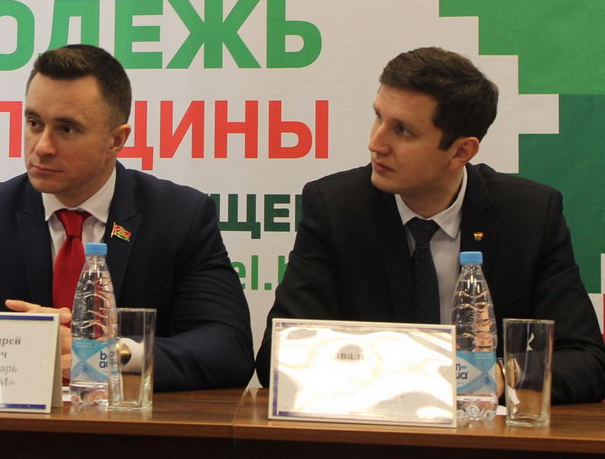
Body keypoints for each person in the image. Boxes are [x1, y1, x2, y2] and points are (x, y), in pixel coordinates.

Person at [257, 46, 605, 404]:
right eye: (378, 117)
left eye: (403, 131)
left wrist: (488, 379)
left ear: (461, 152)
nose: (376, 143)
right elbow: (278, 358)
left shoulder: (529, 214)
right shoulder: (337, 208)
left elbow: (587, 361)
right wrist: (414, 380)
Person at [0, 44, 254, 391]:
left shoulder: (179, 216)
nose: (42, 146)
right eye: (34, 123)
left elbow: (228, 350)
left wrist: (103, 357)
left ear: (116, 140)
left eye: (67, 129)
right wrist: (19, 344)